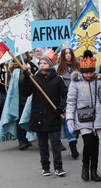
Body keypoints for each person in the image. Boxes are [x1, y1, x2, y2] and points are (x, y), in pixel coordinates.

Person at [21, 49, 68, 177]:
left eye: (45, 63)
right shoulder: (34, 79)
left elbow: (65, 95)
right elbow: (25, 92)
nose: (42, 65)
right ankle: (45, 166)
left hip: (53, 115)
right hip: (39, 116)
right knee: (42, 144)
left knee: (55, 142)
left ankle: (58, 167)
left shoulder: (58, 80)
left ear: (50, 65)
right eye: (40, 63)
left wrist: (60, 108)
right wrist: (26, 77)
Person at [66, 50, 101, 182]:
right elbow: (71, 101)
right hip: (83, 117)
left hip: (97, 117)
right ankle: (85, 166)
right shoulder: (75, 83)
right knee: (88, 142)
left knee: (95, 145)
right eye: (86, 72)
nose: (88, 75)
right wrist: (70, 119)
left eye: (90, 72)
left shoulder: (98, 82)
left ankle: (94, 170)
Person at [57, 47, 80, 159]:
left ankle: (74, 139)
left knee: (78, 121)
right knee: (68, 121)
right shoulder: (59, 69)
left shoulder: (77, 67)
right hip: (65, 99)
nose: (68, 55)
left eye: (69, 53)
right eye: (65, 54)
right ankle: (73, 144)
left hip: (79, 99)